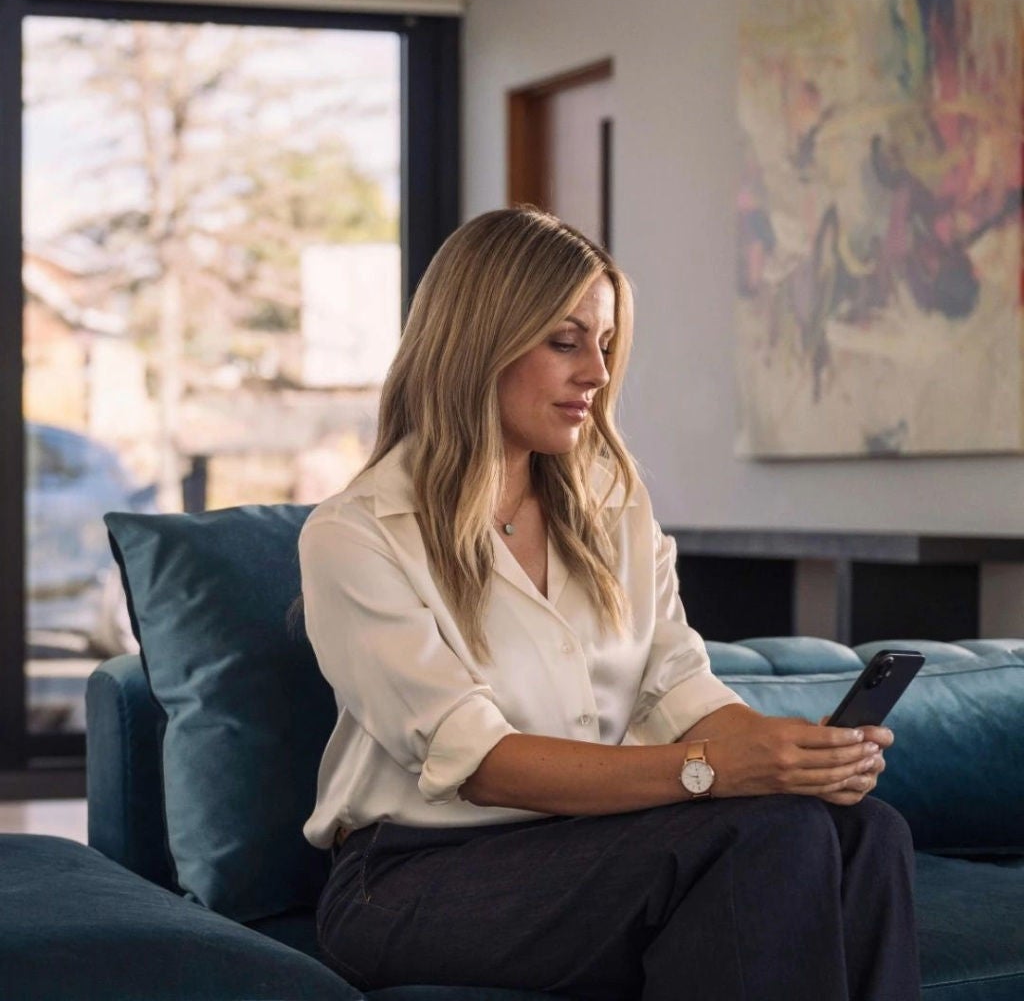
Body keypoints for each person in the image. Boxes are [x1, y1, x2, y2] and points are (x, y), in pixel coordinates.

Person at [298, 207, 920, 1001]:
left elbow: (680, 691)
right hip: (411, 878)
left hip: (592, 845)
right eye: (566, 342)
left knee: (866, 832)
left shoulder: (613, 506)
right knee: (766, 837)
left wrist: (790, 754)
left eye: (605, 343)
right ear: (478, 342)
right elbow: (480, 764)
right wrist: (713, 772)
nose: (596, 371)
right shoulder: (357, 534)